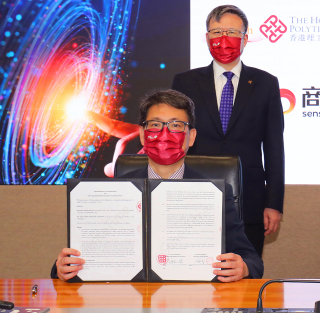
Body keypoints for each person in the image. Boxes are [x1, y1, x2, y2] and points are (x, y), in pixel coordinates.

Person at [53, 89, 263, 282]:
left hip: (193, 300)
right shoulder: (112, 194)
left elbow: (252, 260)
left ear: (191, 137)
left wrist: (243, 267)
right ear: (143, 135)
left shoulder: (216, 193)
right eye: (155, 125)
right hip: (126, 303)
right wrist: (62, 267)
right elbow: (80, 257)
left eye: (176, 125)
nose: (164, 134)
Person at [171, 5, 284, 257]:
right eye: (216, 32)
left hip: (250, 200)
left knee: (246, 272)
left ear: (245, 38)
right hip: (194, 195)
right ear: (207, 37)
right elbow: (175, 142)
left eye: (232, 32)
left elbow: (275, 148)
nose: (223, 39)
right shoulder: (185, 82)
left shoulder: (266, 83)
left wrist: (273, 203)